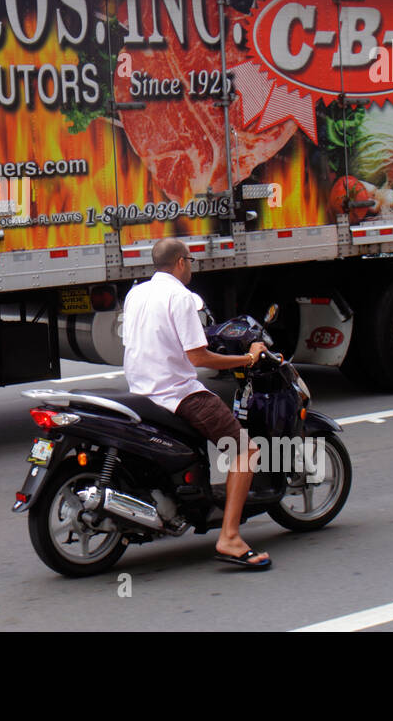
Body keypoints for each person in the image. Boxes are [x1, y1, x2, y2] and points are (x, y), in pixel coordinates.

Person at [121, 237, 272, 569]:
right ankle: (230, 537)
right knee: (247, 450)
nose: (191, 266)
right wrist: (247, 358)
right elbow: (199, 357)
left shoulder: (136, 293)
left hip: (140, 390)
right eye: (190, 260)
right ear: (180, 263)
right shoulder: (182, 297)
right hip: (176, 393)